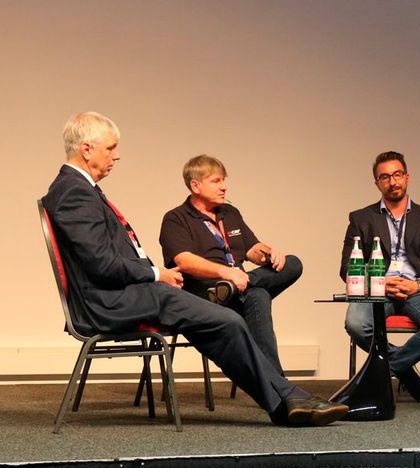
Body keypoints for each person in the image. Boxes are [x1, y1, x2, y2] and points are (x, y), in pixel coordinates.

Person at [42, 111, 347, 426]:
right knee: (227, 321)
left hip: (128, 293)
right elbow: (101, 263)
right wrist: (157, 274)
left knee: (232, 312)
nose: (117, 155)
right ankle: (286, 399)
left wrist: (157, 276)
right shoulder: (73, 192)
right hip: (106, 303)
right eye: (110, 148)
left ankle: (285, 400)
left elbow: (104, 257)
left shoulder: (79, 189)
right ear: (87, 149)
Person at [160, 155, 302, 376]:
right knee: (259, 295)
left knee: (292, 264)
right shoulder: (176, 218)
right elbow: (183, 260)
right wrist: (226, 272)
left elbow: (252, 249)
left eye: (224, 180)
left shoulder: (230, 213)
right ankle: (279, 383)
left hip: (238, 288)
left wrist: (269, 253)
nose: (224, 187)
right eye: (216, 181)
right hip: (205, 295)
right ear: (195, 185)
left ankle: (275, 383)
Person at [340, 151, 420, 402]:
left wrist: (417, 284)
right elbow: (346, 268)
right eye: (385, 177)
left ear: (407, 177)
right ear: (377, 183)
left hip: (417, 289)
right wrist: (378, 282)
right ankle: (404, 369)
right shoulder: (361, 218)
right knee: (357, 325)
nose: (392, 182)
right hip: (378, 289)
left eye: (397, 174)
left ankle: (383, 371)